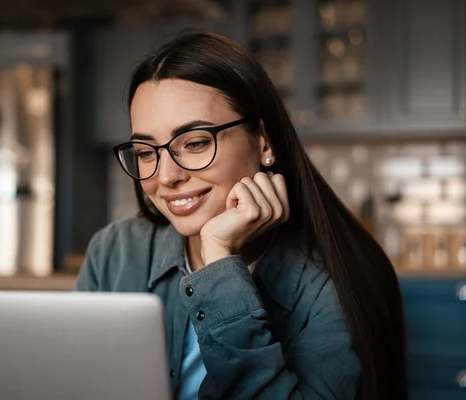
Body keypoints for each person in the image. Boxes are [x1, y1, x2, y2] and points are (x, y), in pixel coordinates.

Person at [76, 31, 407, 400]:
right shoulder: (114, 253)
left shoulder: (338, 280)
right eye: (146, 151)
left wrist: (219, 257)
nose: (166, 177)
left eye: (196, 142)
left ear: (263, 141)